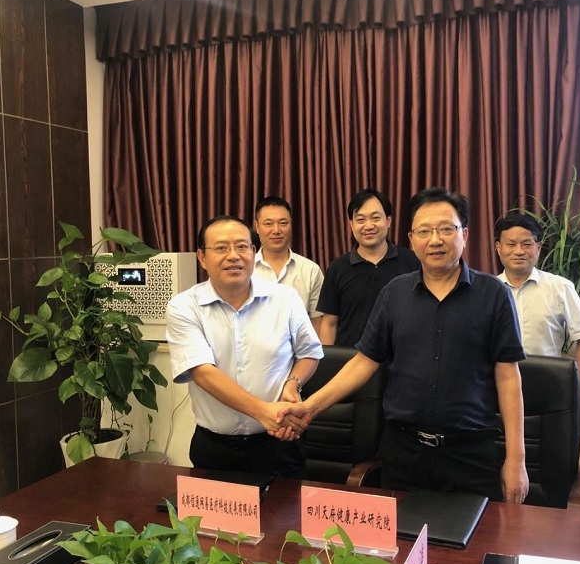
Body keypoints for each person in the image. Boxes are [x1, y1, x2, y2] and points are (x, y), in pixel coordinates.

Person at [279, 188, 529, 503]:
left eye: (446, 229)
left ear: (464, 235)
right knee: (401, 534)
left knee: (474, 535)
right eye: (424, 231)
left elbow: (508, 377)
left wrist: (516, 459)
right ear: (411, 239)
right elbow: (363, 363)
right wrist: (309, 408)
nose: (434, 240)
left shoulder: (494, 295)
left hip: (470, 454)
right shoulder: (394, 293)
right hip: (402, 452)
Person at [166, 216, 323, 477]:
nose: (233, 256)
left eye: (242, 246)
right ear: (202, 257)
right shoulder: (184, 307)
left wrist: (292, 384)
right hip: (215, 448)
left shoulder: (285, 298)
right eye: (221, 248)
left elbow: (310, 353)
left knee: (283, 505)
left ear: (253, 252)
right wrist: (265, 412)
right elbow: (203, 372)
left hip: (278, 445)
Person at [494, 211, 580, 388]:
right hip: (498, 384)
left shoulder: (560, 287)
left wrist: (578, 382)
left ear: (538, 247)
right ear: (498, 247)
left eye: (527, 244)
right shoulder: (488, 289)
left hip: (548, 383)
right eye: (511, 244)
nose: (519, 251)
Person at [317, 189, 420, 346]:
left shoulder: (412, 262)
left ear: (388, 221)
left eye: (375, 218)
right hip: (349, 358)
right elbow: (329, 323)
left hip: (400, 356)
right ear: (351, 225)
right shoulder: (338, 268)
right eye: (361, 219)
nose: (369, 225)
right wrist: (327, 359)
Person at [253, 196, 324, 331]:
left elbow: (317, 323)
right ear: (257, 227)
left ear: (291, 224)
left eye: (283, 223)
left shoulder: (310, 270)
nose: (276, 230)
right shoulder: (245, 270)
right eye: (268, 224)